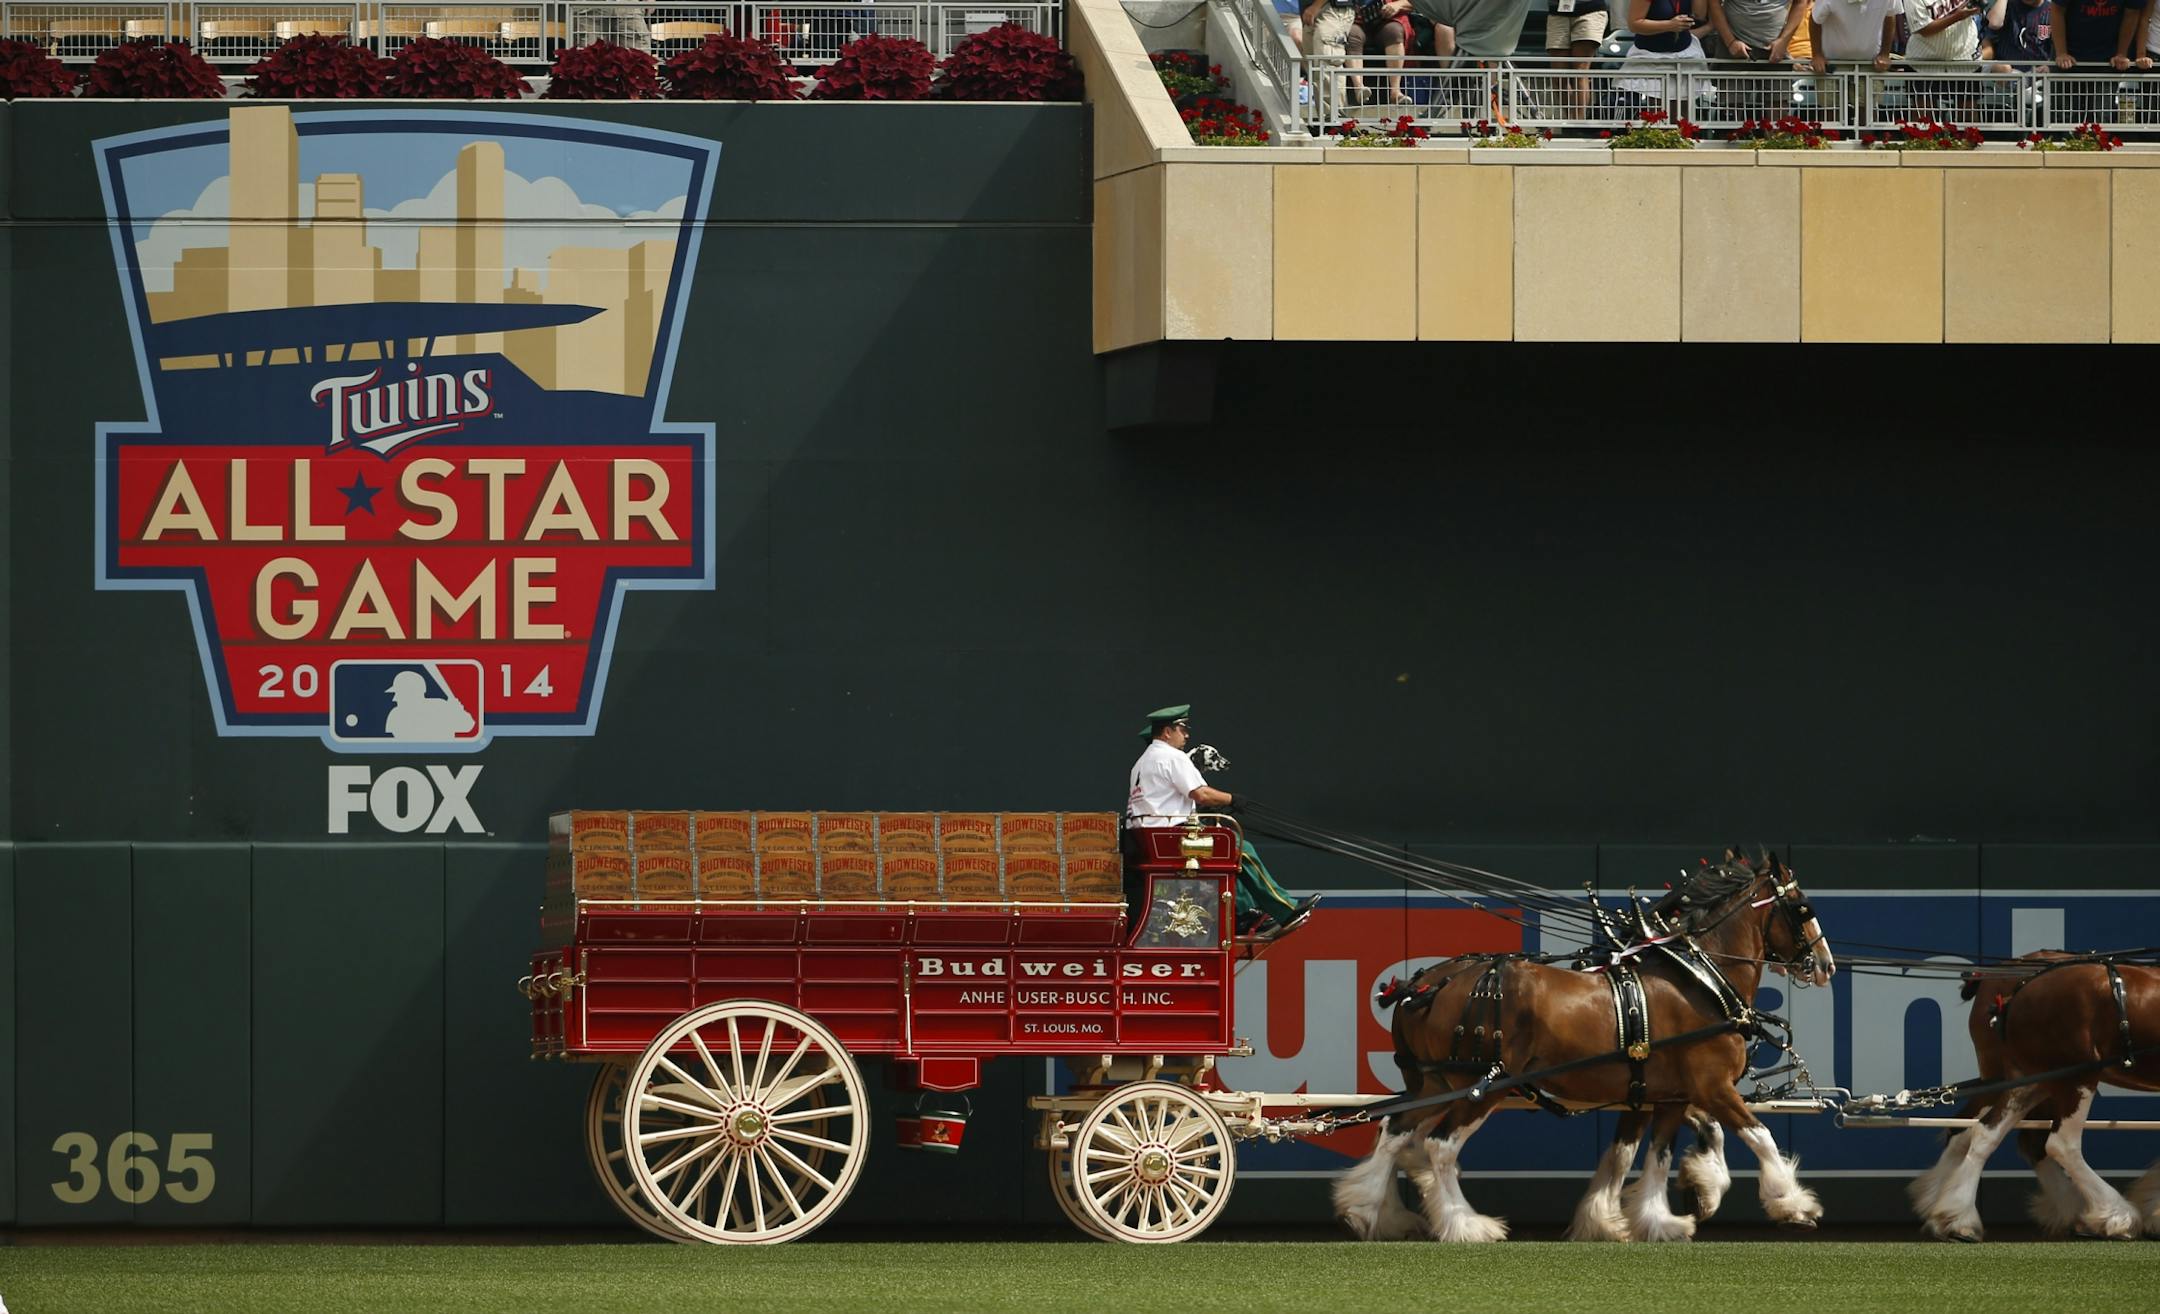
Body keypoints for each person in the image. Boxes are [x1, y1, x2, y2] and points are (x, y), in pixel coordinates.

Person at [1124, 705, 1319, 940]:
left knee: (1225, 853)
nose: (1186, 735)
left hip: (1152, 839)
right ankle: (1285, 910)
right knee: (1238, 847)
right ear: (1167, 732)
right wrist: (1233, 799)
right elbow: (1201, 794)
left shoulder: (1143, 761)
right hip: (1170, 839)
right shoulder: (1171, 756)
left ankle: (1242, 915)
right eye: (1182, 729)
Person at [1811, 0, 1900, 70]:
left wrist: (1884, 54)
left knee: (1869, 93)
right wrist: (1817, 55)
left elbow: (1890, 16)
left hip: (1872, 64)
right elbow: (1815, 19)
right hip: (1830, 64)